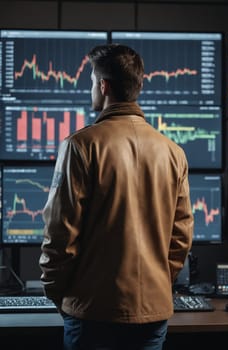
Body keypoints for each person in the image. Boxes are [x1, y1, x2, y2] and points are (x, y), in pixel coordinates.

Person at [39, 44, 194, 350]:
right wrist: (156, 288)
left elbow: (60, 235)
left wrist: (59, 295)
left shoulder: (81, 146)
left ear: (104, 86)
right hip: (152, 315)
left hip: (92, 313)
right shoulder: (173, 152)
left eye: (91, 82)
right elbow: (180, 239)